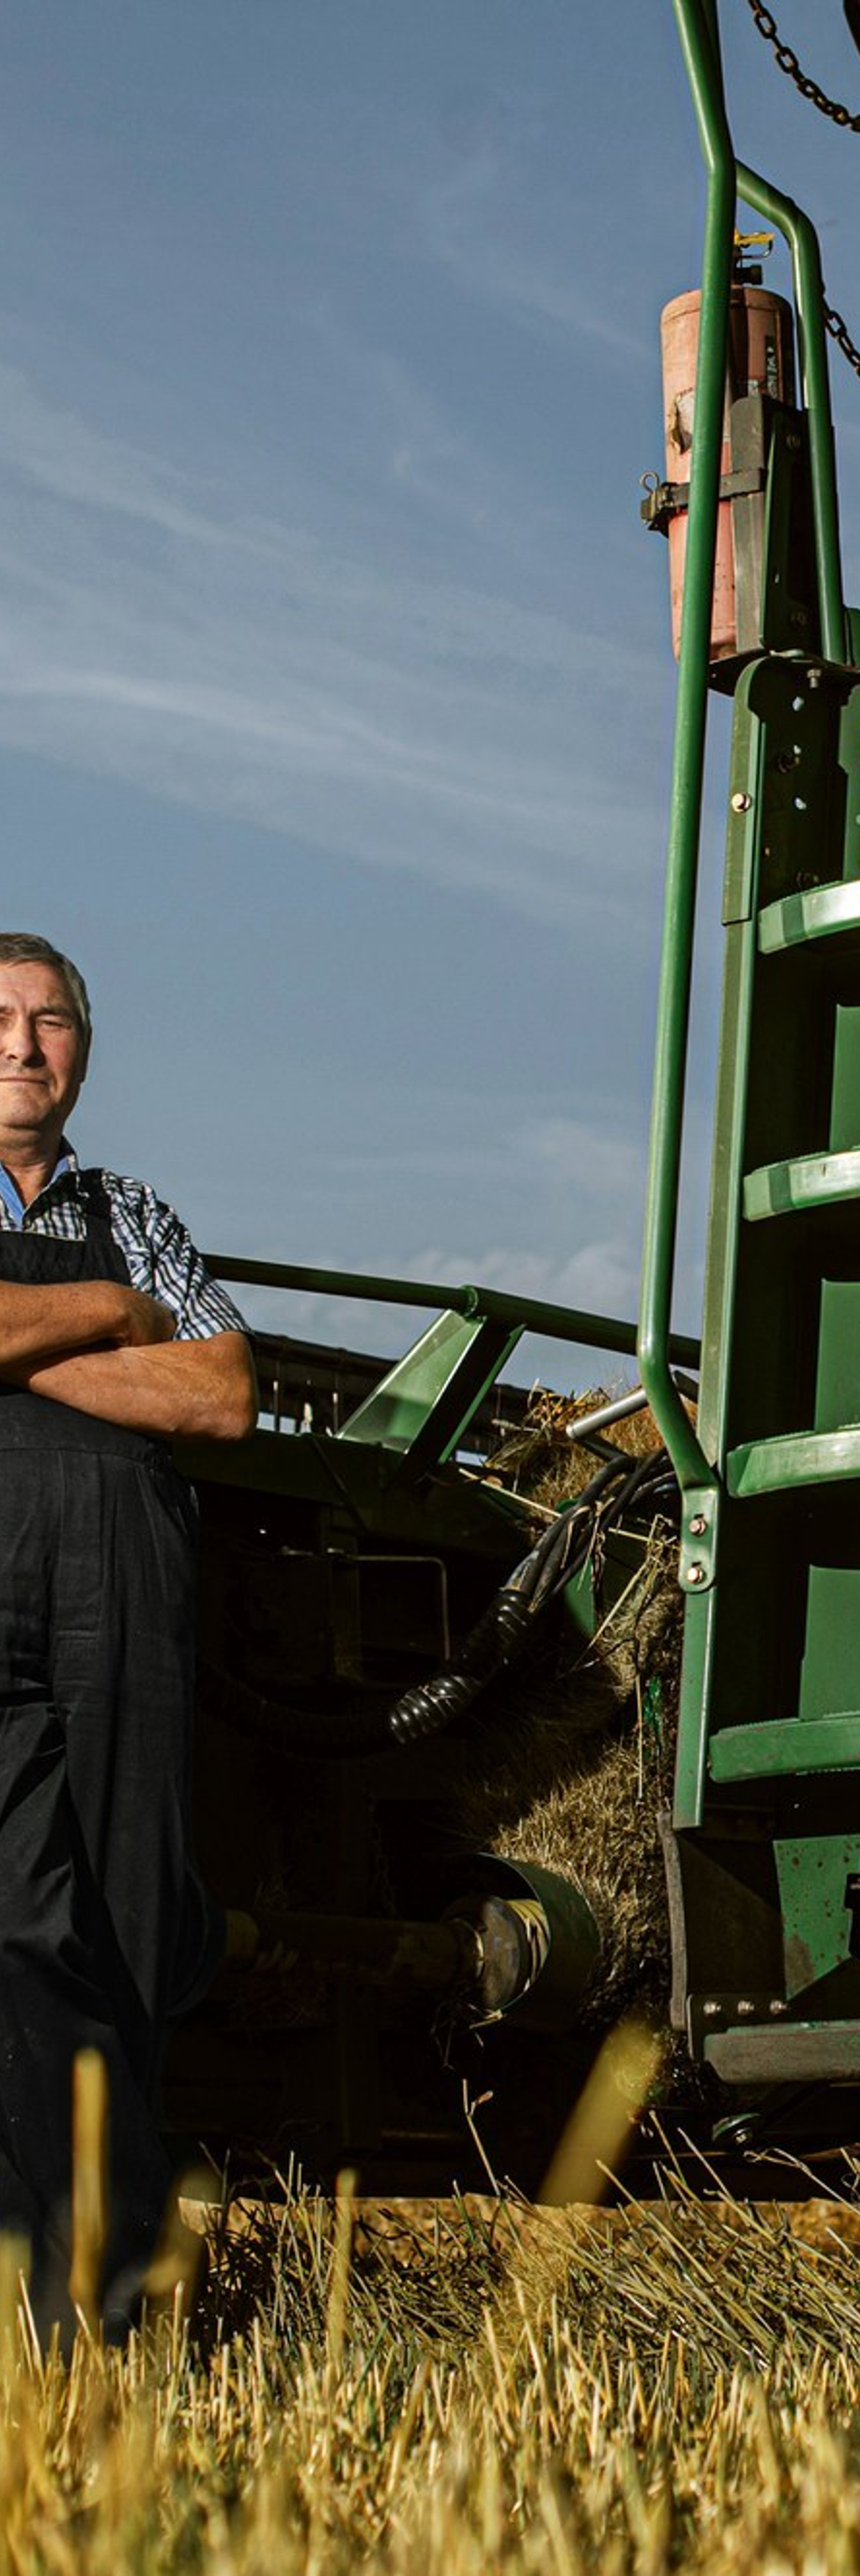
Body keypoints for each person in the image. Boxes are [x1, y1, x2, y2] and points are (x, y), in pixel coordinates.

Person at [0, 931, 255, 2335]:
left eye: (53, 1022)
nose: (26, 1046)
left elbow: (219, 1393)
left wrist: (26, 1345)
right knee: (17, 1925)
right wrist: (103, 1311)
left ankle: (95, 2308)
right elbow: (156, 1346)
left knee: (127, 1929)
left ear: (85, 1047)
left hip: (123, 1599)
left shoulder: (133, 1201)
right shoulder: (122, 1261)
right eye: (1, 1019)